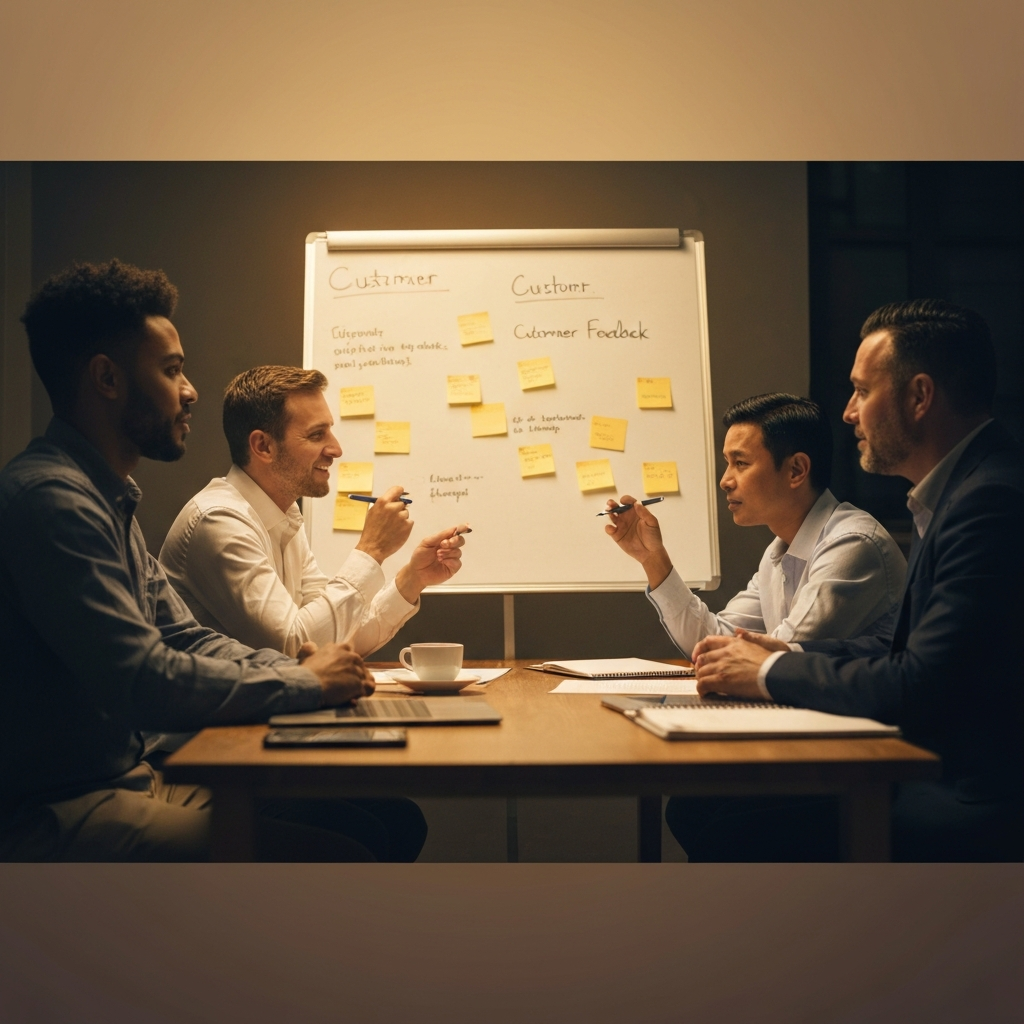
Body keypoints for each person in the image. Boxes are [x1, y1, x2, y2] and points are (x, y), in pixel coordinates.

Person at [0, 259, 422, 862]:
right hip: (64, 808)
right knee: (344, 856)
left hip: (136, 777)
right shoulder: (52, 502)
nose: (191, 388)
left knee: (384, 823)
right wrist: (299, 678)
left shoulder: (104, 498)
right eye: (172, 370)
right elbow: (142, 678)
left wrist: (300, 666)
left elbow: (186, 639)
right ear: (106, 379)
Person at [683, 299, 1024, 862]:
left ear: (919, 397)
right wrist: (784, 654)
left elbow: (917, 685)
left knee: (726, 823)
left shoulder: (987, 502)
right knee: (701, 808)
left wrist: (773, 668)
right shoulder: (961, 491)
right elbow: (902, 651)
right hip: (935, 764)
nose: (847, 413)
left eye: (863, 391)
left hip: (971, 793)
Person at [159, 365, 467, 658]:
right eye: (317, 435)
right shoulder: (219, 520)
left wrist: (412, 579)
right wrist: (371, 550)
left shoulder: (283, 515)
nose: (335, 449)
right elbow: (296, 649)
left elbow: (334, 639)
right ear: (263, 446)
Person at [604, 393, 906, 657]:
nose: (725, 481)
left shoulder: (853, 544)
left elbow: (780, 657)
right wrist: (652, 558)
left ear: (796, 470)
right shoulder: (777, 555)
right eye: (727, 463)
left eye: (741, 463)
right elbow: (712, 642)